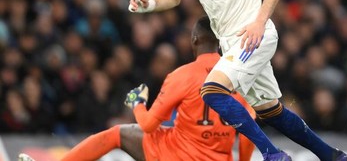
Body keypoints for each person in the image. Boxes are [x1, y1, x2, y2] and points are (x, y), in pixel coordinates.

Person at [127, 0, 347, 161]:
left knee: (211, 90)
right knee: (270, 111)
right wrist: (148, 4)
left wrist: (259, 21)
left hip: (254, 35)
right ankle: (332, 156)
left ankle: (272, 155)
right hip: (231, 43)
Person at [19, 16, 255, 161]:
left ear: (194, 40)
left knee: (117, 134)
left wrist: (138, 103)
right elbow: (247, 138)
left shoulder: (182, 75)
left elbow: (148, 125)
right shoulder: (241, 79)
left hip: (174, 155)